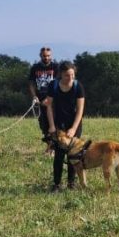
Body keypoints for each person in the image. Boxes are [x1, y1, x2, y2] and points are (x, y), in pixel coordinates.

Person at [46, 61, 85, 192]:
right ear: (61, 75)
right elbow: (49, 106)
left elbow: (80, 110)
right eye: (67, 75)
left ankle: (71, 183)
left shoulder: (78, 86)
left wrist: (74, 128)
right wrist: (51, 126)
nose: (70, 78)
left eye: (72, 75)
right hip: (59, 124)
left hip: (74, 123)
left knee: (73, 155)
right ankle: (56, 184)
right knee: (59, 155)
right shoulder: (54, 85)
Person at [28, 47, 59, 155]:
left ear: (51, 55)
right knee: (43, 123)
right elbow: (31, 83)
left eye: (48, 55)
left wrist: (50, 97)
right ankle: (50, 146)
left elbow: (59, 84)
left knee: (54, 122)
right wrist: (34, 96)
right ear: (40, 56)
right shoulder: (35, 68)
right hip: (40, 99)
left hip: (53, 100)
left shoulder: (56, 67)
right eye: (44, 56)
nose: (46, 57)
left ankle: (53, 147)